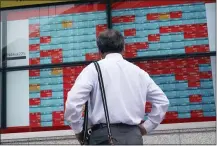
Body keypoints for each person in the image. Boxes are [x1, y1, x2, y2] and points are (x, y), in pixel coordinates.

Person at [64, 29, 169, 145]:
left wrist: (79, 130)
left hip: (102, 137)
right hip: (133, 137)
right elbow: (162, 102)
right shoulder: (138, 72)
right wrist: (146, 127)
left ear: (100, 50)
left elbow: (72, 104)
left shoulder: (92, 70)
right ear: (123, 48)